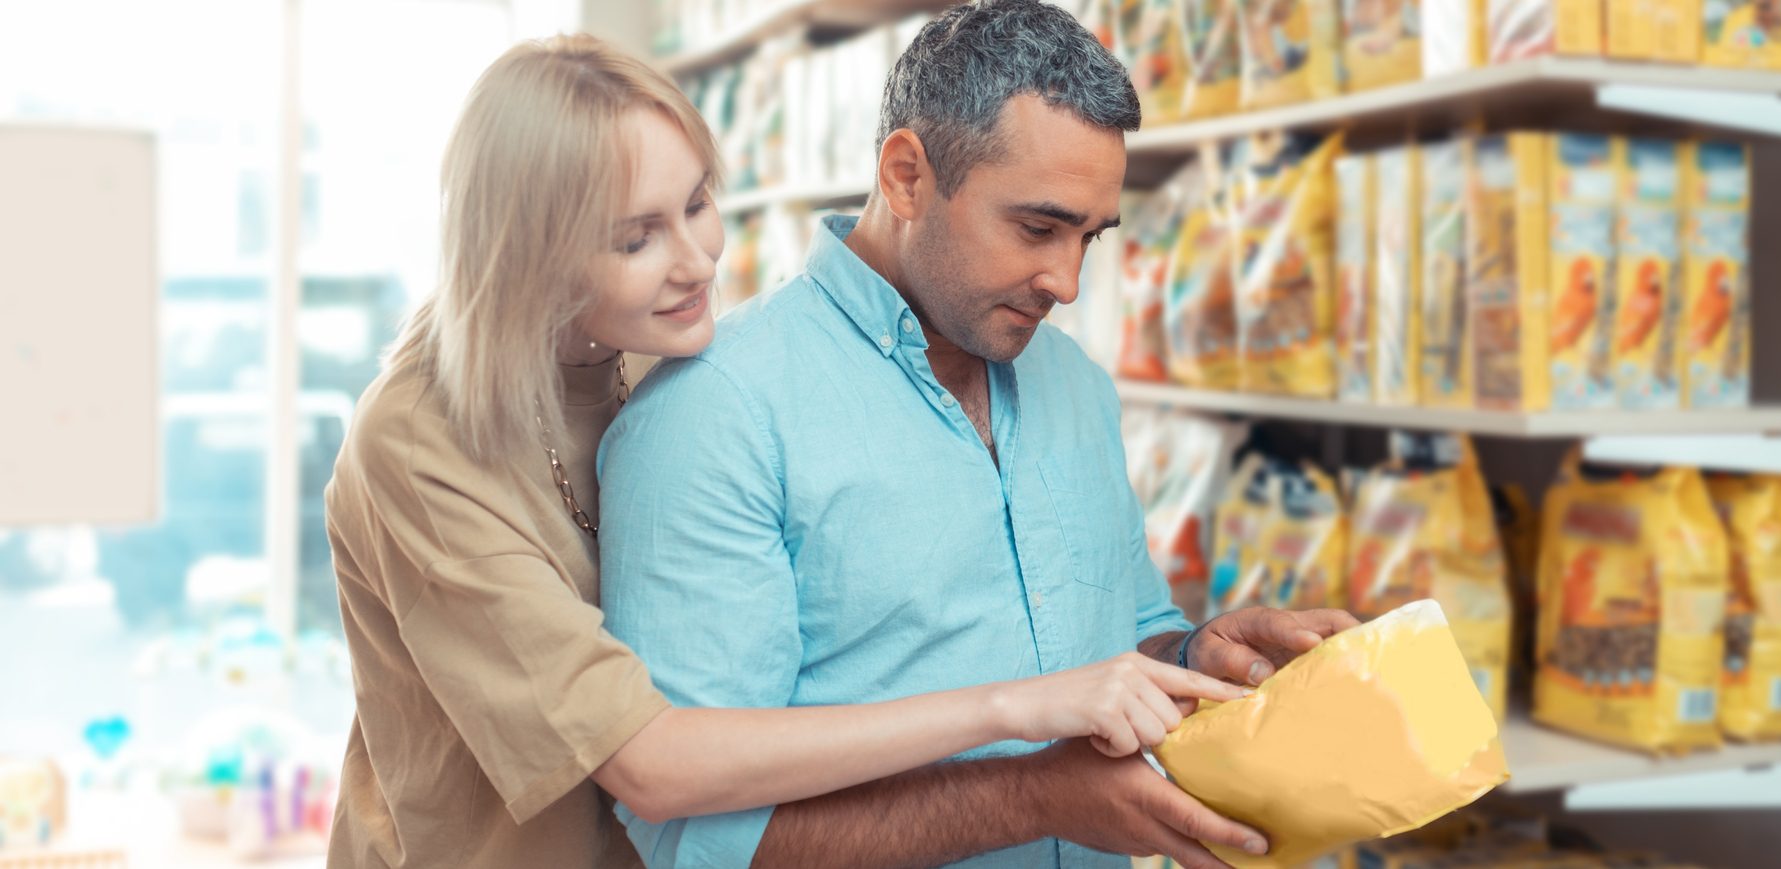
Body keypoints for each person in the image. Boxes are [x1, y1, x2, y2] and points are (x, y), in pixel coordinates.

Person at [322, 33, 1254, 869]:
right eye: (635, 236)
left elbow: (1109, 625)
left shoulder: (649, 346)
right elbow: (654, 765)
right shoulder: (430, 439)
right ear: (527, 252)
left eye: (697, 203)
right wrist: (1017, 713)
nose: (698, 262)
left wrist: (1193, 655)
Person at [596, 2, 1360, 867]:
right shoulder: (714, 413)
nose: (1066, 282)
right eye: (1037, 228)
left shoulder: (1072, 384)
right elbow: (694, 834)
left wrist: (1194, 655)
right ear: (906, 177)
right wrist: (1034, 797)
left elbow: (1120, 632)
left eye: (1089, 237)